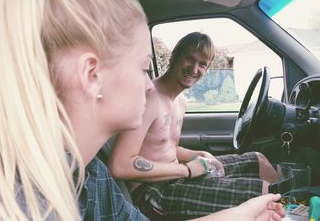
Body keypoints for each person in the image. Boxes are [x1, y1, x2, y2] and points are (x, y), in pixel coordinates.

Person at [0, 0, 284, 220]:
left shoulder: (92, 177)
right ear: (92, 75)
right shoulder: (23, 204)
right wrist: (188, 171)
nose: (149, 83)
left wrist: (243, 213)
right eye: (144, 67)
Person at [109, 32, 279, 219]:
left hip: (175, 174)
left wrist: (196, 155)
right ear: (175, 57)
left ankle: (296, 209)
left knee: (258, 160)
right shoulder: (150, 98)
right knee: (264, 193)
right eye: (189, 59)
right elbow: (119, 165)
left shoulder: (180, 101)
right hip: (150, 191)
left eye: (202, 64)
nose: (194, 68)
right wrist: (188, 169)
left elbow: (167, 146)